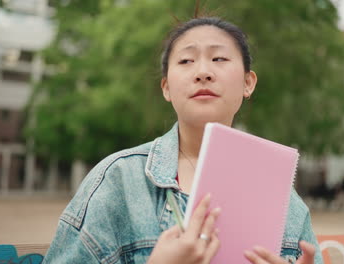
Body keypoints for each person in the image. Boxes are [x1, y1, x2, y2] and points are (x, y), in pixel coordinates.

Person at [43, 16, 323, 264]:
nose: (203, 72)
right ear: (166, 87)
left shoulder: (284, 200)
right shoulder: (117, 180)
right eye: (186, 61)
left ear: (248, 83)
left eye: (219, 59)